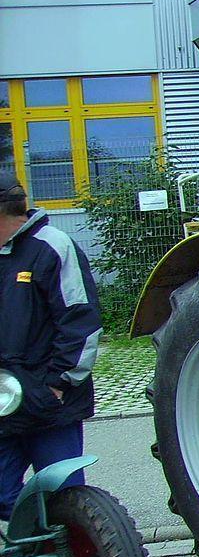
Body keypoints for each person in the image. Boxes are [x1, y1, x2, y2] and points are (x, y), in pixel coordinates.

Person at [0, 173, 102, 522]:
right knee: (3, 498)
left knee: (65, 499)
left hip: (49, 402)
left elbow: (81, 321)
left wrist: (58, 383)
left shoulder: (52, 246)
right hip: (3, 402)